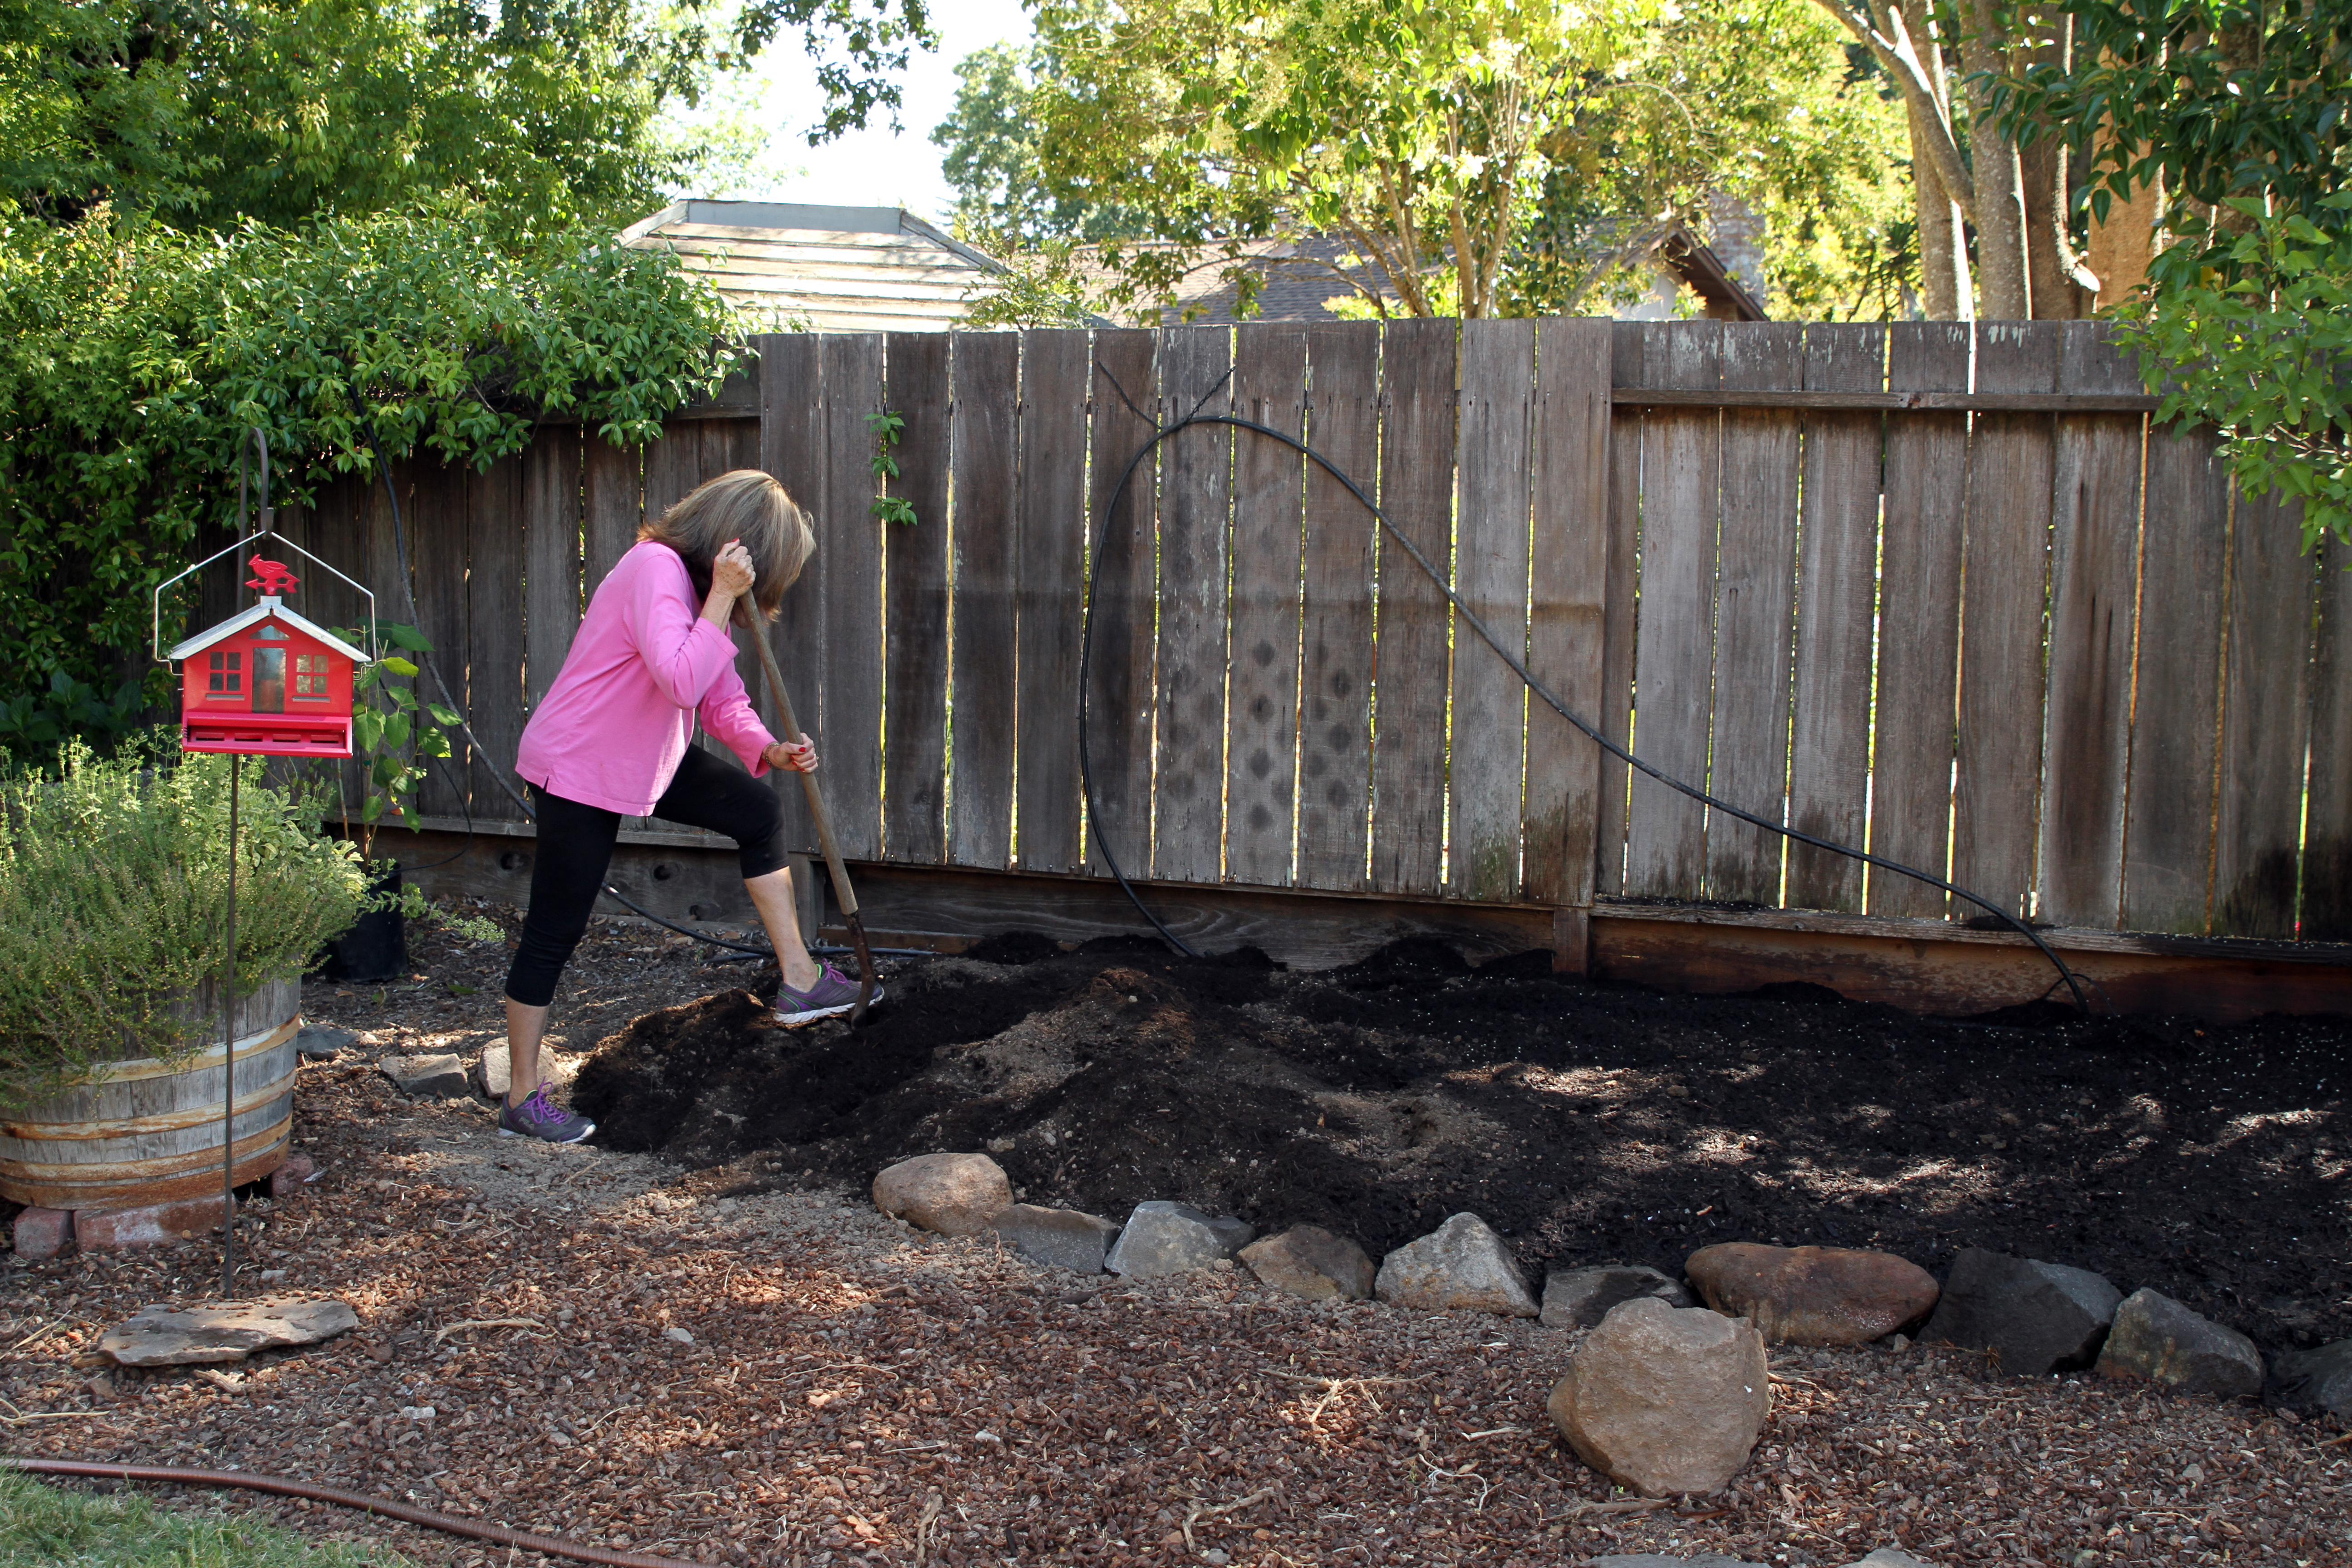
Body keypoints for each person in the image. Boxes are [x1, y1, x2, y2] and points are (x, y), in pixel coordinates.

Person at [497, 469, 878, 1143]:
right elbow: (678, 677)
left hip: (644, 755)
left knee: (757, 810)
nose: (761, 591)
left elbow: (718, 694)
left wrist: (768, 746)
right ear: (737, 547)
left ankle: (799, 979)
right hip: (581, 763)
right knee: (556, 930)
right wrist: (722, 601)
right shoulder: (654, 568)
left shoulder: (705, 592)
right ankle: (523, 1098)